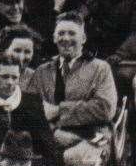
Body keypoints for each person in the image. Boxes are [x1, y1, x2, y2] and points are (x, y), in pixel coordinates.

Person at [28, 12, 118, 148]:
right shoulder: (42, 71)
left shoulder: (100, 68)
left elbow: (105, 108)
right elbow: (31, 109)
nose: (66, 38)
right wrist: (54, 132)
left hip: (91, 138)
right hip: (49, 138)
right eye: (61, 33)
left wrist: (59, 110)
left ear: (83, 38)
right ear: (54, 38)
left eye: (72, 33)